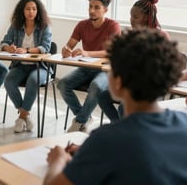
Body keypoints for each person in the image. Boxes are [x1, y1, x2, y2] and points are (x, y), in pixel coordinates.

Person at [44, 29, 187, 185]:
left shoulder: (106, 139)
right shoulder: (183, 122)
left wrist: (58, 160)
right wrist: (92, 152)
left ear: (118, 82)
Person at [98, 0, 170, 122]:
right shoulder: (133, 35)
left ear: (147, 17)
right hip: (133, 83)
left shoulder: (161, 36)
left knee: (122, 107)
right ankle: (122, 128)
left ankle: (125, 130)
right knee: (103, 97)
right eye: (130, 16)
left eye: (135, 17)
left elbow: (162, 68)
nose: (131, 20)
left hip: (152, 86)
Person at [57, 0, 121, 132]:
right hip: (85, 68)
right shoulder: (82, 25)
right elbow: (69, 45)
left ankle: (79, 121)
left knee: (96, 87)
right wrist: (66, 49)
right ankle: (85, 117)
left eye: (97, 7)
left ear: (105, 10)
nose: (92, 10)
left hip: (105, 70)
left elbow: (112, 52)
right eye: (90, 6)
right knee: (62, 84)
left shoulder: (113, 26)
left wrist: (87, 53)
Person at [1, 0, 52, 133]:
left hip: (40, 67)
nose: (31, 12)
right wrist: (9, 48)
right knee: (8, 81)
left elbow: (45, 48)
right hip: (20, 65)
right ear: (22, 11)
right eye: (28, 9)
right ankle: (26, 115)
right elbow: (4, 42)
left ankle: (21, 117)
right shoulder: (15, 26)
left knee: (33, 80)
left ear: (38, 11)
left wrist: (27, 50)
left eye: (34, 9)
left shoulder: (44, 27)